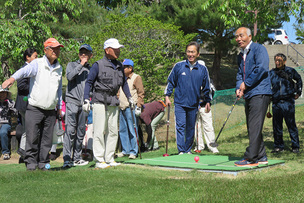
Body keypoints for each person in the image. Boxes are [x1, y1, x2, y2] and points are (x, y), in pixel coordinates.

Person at [1, 37, 64, 170]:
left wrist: (59, 107)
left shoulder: (59, 67)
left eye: (58, 48)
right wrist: (12, 78)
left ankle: (43, 163)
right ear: (45, 50)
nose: (56, 51)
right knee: (32, 136)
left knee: (46, 139)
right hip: (35, 108)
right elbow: (23, 71)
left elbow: (58, 89)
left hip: (51, 109)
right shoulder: (38, 63)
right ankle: (31, 164)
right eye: (53, 48)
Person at [83, 38, 134, 169]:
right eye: (115, 49)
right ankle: (99, 160)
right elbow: (89, 82)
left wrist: (130, 97)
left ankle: (109, 157)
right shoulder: (98, 65)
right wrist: (86, 99)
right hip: (100, 100)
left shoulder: (119, 66)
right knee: (99, 131)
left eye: (119, 49)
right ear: (107, 50)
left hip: (113, 101)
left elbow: (123, 83)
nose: (118, 51)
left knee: (113, 131)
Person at [164, 41, 211, 155]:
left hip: (194, 104)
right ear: (186, 53)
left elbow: (206, 87)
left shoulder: (203, 69)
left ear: (198, 54)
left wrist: (208, 101)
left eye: (193, 52)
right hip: (179, 103)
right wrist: (167, 96)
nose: (190, 54)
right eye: (188, 52)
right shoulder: (179, 66)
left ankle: (187, 149)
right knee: (180, 126)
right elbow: (171, 82)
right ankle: (181, 150)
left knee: (190, 128)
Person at [234, 27, 272, 167]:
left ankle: (250, 158)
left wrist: (246, 83)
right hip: (249, 93)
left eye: (241, 36)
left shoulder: (259, 49)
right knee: (252, 126)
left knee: (254, 126)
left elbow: (261, 68)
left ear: (249, 36)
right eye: (236, 37)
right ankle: (261, 156)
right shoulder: (240, 55)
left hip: (260, 92)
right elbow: (239, 73)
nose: (238, 39)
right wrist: (239, 87)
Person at [63, 44, 93, 168]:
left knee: (80, 132)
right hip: (72, 102)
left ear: (91, 55)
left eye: (86, 53)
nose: (83, 55)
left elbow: (91, 86)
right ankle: (66, 159)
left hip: (84, 104)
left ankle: (76, 158)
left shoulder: (91, 69)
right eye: (81, 52)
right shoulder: (72, 65)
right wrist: (81, 64)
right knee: (70, 131)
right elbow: (69, 77)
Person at [269, 53, 302, 153]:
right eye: (276, 60)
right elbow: (266, 84)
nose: (277, 62)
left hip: (288, 102)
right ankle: (278, 146)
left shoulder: (290, 71)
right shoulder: (271, 73)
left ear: (284, 61)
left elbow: (299, 80)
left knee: (291, 125)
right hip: (276, 103)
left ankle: (295, 146)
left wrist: (298, 92)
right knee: (277, 126)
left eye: (279, 60)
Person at [117, 59, 144, 159]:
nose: (123, 69)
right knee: (123, 130)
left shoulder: (136, 78)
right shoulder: (121, 78)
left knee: (133, 129)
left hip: (131, 107)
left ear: (130, 68)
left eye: (124, 67)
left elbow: (141, 93)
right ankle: (125, 150)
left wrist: (139, 106)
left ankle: (134, 151)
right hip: (122, 106)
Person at [15, 48, 38, 160]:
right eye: (35, 56)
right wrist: (35, 87)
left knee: (27, 129)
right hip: (24, 104)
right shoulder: (25, 69)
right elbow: (21, 86)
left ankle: (23, 153)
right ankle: (24, 152)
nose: (37, 59)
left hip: (26, 104)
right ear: (28, 57)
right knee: (29, 129)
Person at [194, 74, 219, 154]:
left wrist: (206, 101)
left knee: (208, 127)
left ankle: (212, 147)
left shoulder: (208, 80)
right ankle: (199, 146)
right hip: (194, 107)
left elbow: (212, 92)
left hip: (205, 107)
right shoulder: (192, 79)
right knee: (196, 127)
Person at [0, 88, 17, 160]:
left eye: (4, 93)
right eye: (1, 93)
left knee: (3, 132)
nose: (2, 94)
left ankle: (5, 152)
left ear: (7, 94)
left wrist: (11, 107)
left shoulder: (11, 102)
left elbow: (16, 113)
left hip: (6, 123)